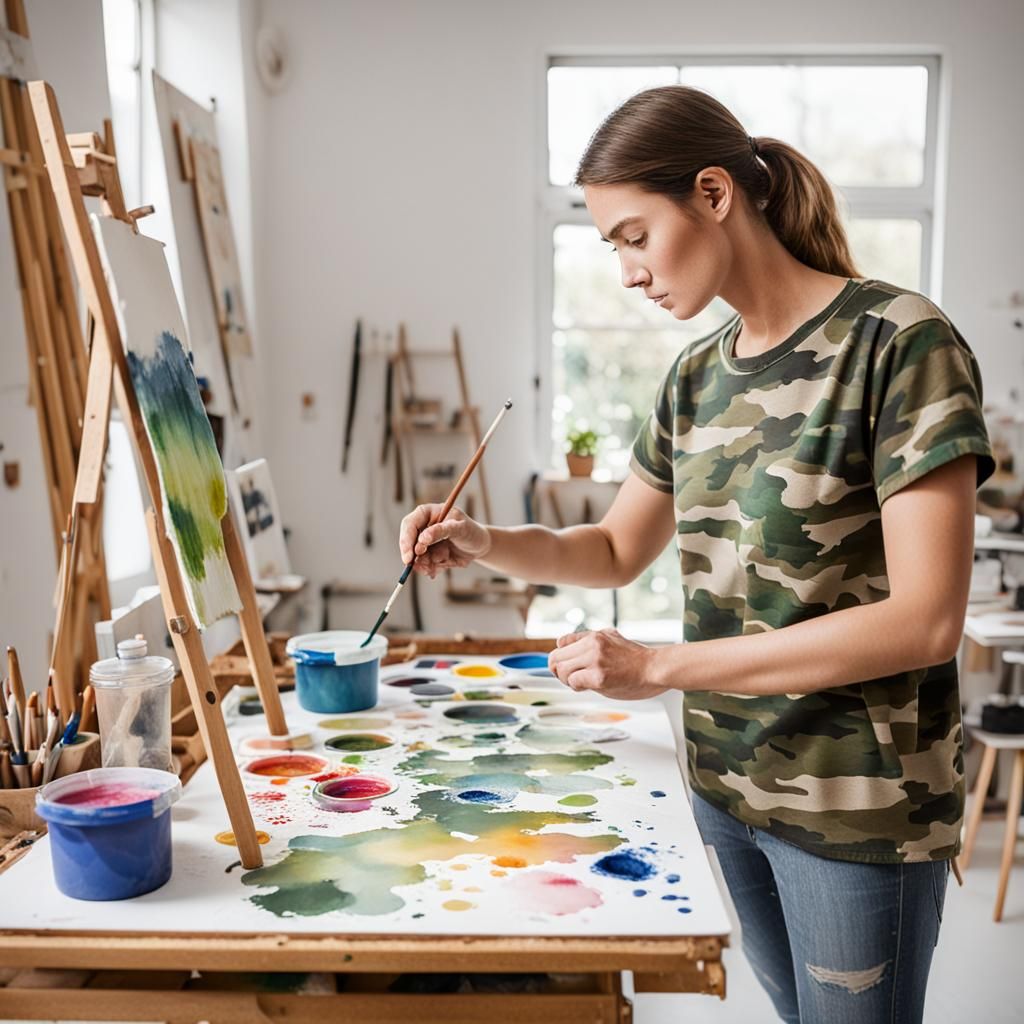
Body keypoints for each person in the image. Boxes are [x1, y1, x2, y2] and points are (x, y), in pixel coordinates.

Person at [399, 86, 993, 1023]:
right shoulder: (695, 375)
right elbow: (608, 548)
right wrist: (482, 541)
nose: (628, 273)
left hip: (857, 803)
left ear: (714, 194)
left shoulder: (897, 342)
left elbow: (925, 621)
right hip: (723, 788)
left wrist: (661, 666)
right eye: (614, 248)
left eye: (635, 236)